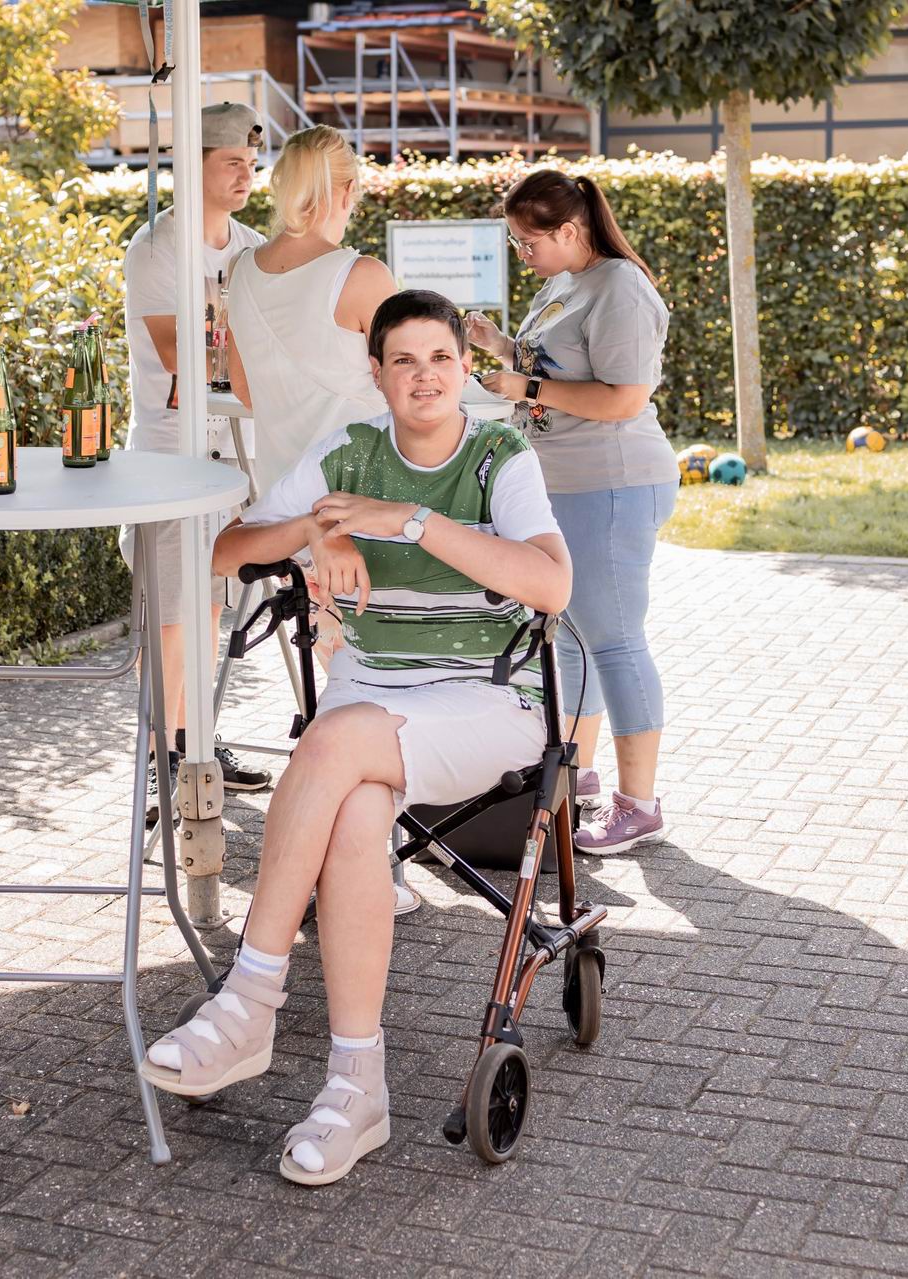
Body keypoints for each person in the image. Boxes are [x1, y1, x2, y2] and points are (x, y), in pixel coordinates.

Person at [139, 290, 571, 1186]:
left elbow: (550, 585)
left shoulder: (501, 457)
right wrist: (316, 529)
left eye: (441, 358)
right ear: (376, 373)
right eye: (403, 360)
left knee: (329, 746)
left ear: (466, 368)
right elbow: (226, 551)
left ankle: (250, 995)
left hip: (487, 701)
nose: (425, 376)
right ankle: (355, 1088)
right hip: (374, 693)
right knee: (355, 815)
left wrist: (404, 521)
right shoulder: (348, 452)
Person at [469, 169, 674, 854]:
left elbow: (623, 398)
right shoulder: (565, 282)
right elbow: (558, 364)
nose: (521, 253)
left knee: (614, 641)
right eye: (515, 241)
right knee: (571, 636)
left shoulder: (621, 288)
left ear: (569, 229)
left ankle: (639, 805)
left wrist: (525, 386)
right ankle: (577, 772)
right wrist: (501, 347)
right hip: (561, 482)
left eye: (528, 242)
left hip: (611, 483)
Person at [120, 101, 274, 802]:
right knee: (173, 617)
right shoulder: (158, 248)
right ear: (195, 163)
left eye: (252, 163)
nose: (246, 175)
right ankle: (163, 757)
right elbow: (186, 357)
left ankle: (198, 743)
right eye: (232, 162)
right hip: (170, 454)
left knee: (211, 606)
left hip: (235, 453)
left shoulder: (253, 248)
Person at [224, 124, 395, 499]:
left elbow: (243, 387)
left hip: (282, 494)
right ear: (349, 191)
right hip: (364, 490)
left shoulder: (241, 268)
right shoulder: (363, 276)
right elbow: (406, 386)